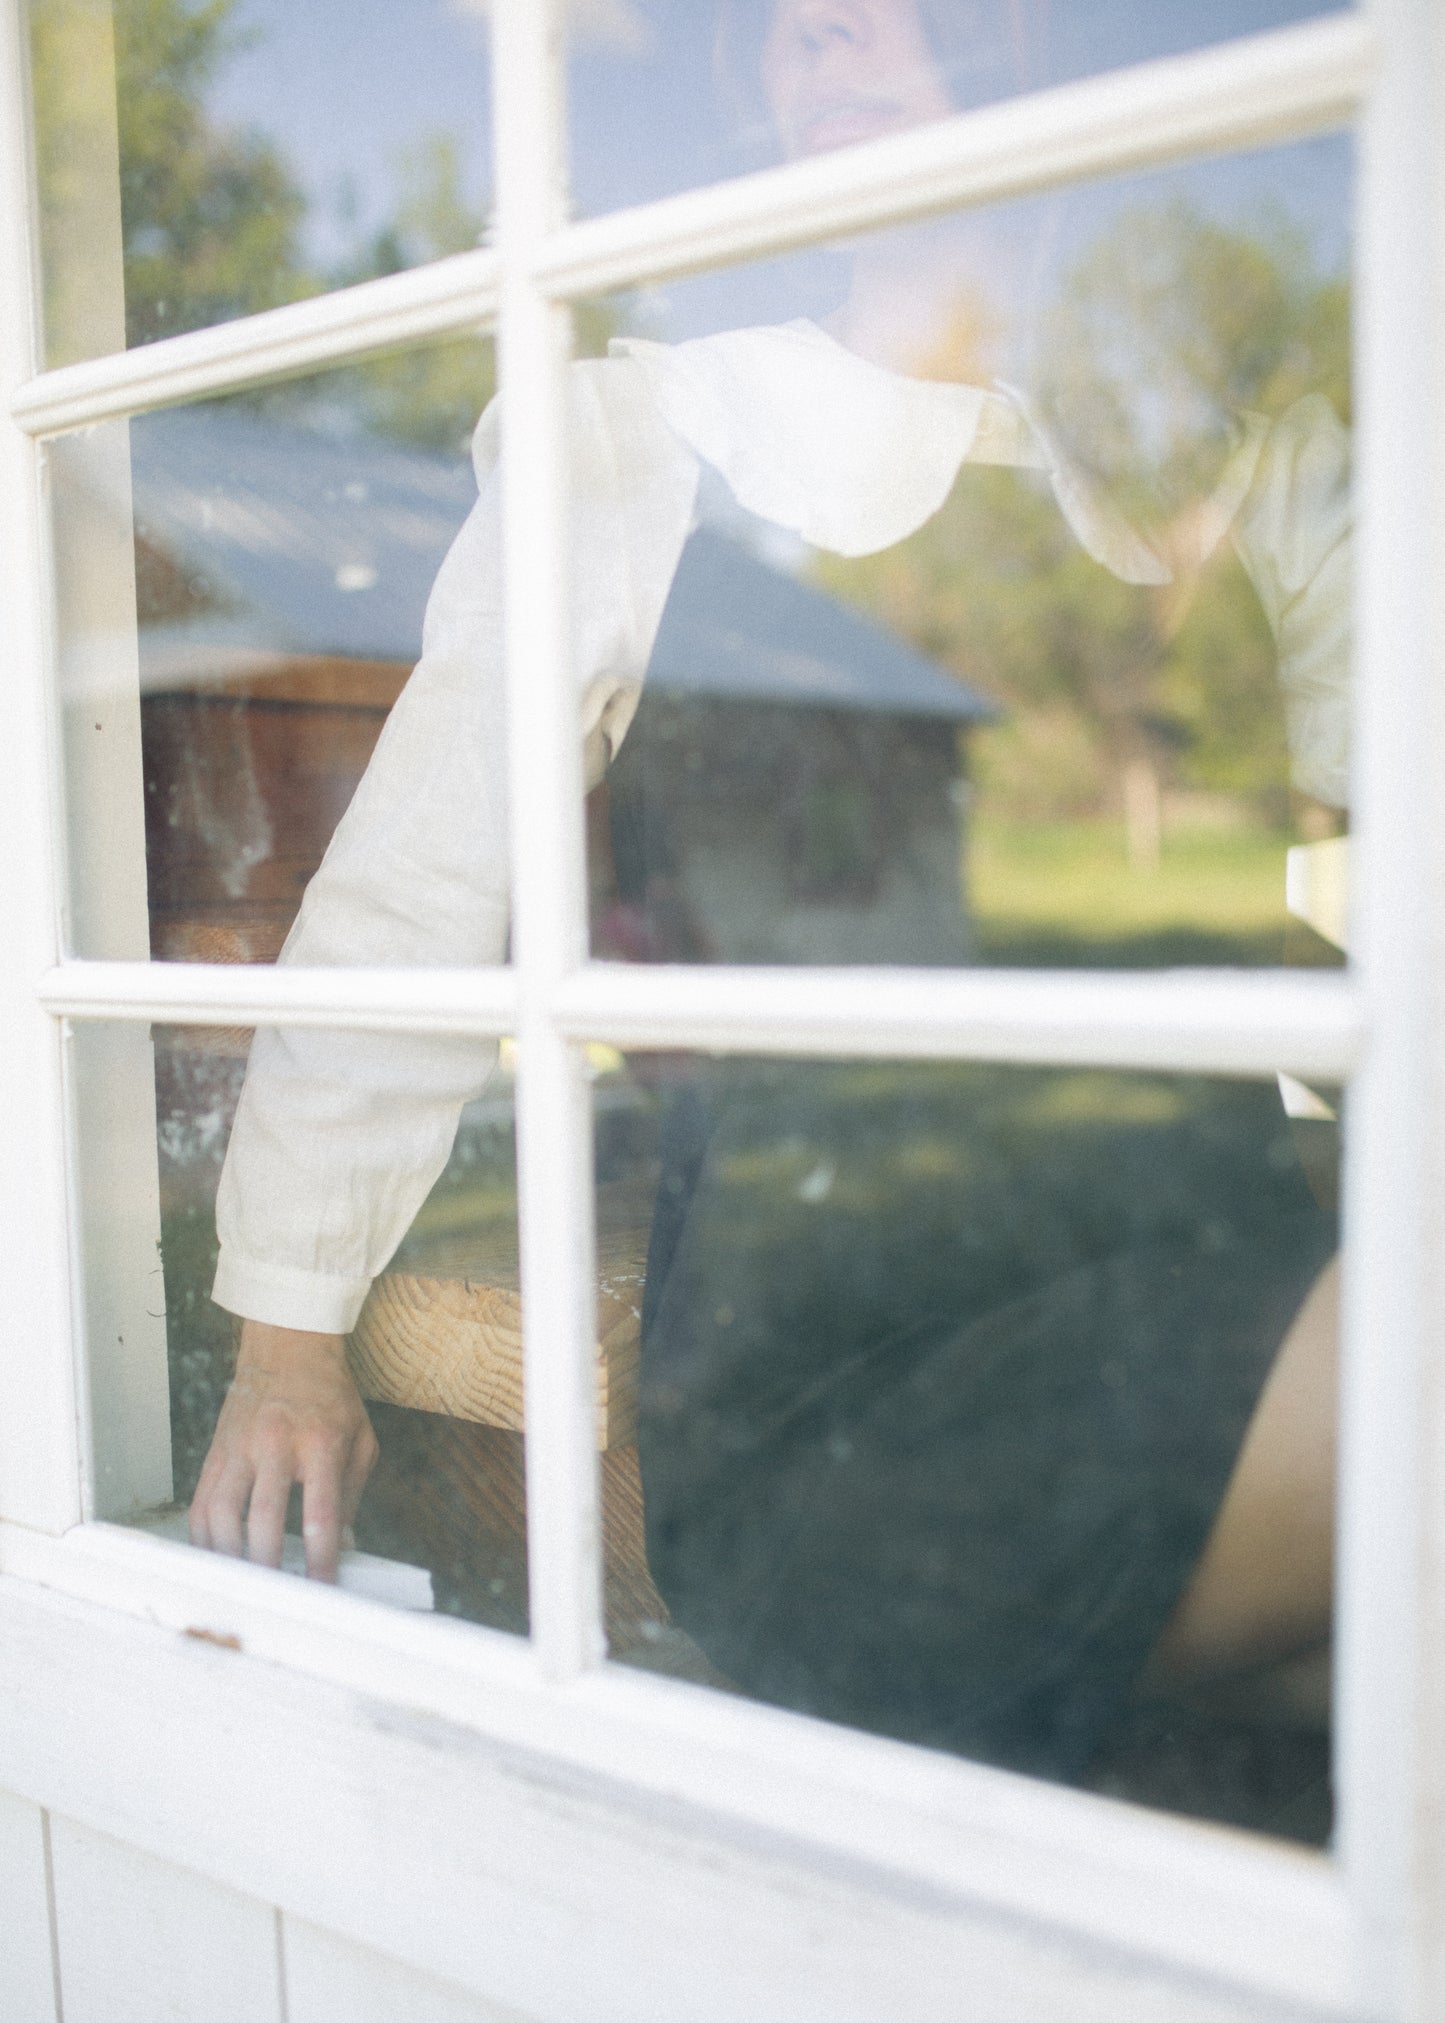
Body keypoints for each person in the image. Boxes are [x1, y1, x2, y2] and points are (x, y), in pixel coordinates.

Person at [189, 0, 1346, 1776]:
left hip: (1234, 1274)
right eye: (798, 28)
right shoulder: (660, 436)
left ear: (1024, 55)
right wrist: (287, 1337)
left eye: (899, 13)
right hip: (873, 1402)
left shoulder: (1225, 473)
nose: (838, 49)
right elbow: (419, 883)